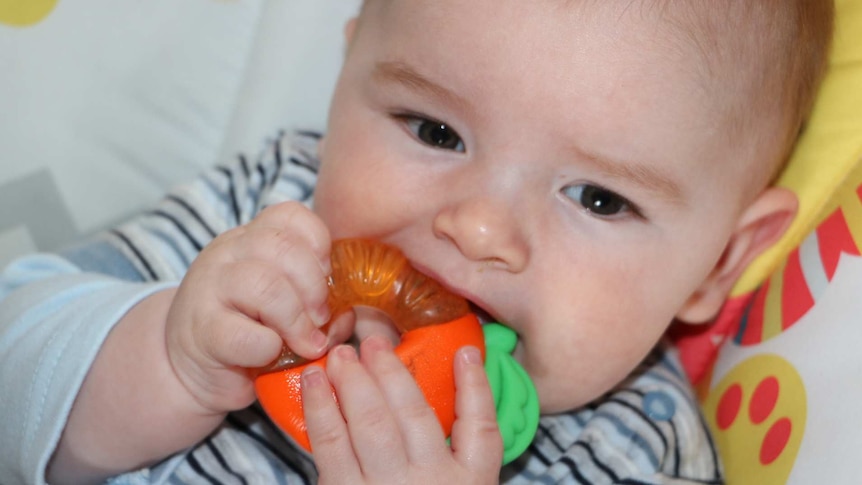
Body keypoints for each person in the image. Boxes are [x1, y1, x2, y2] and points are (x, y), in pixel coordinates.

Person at [0, 0, 834, 483]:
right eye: (434, 129)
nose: (477, 228)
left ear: (720, 261)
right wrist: (165, 362)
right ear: (348, 69)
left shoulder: (637, 451)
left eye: (598, 198)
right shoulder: (268, 217)